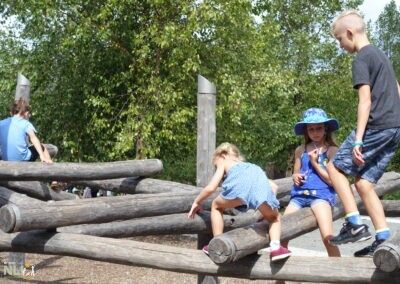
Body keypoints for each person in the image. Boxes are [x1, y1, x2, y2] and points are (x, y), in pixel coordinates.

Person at [328, 10, 400, 257]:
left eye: (339, 40)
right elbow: (397, 89)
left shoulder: (361, 59)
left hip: (377, 125)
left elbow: (365, 102)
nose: (340, 45)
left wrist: (359, 139)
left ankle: (354, 223)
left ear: (349, 33)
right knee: (364, 184)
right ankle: (382, 238)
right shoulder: (381, 55)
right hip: (394, 128)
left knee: (335, 167)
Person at [187, 142, 291, 262]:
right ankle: (275, 248)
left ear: (223, 154)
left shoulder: (224, 161)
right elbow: (273, 187)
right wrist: (265, 211)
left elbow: (211, 188)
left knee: (216, 206)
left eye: (216, 165)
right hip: (261, 186)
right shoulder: (251, 167)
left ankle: (216, 243)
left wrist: (197, 201)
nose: (223, 174)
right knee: (275, 218)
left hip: (238, 188)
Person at [283, 108, 340, 257]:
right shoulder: (300, 150)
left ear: (326, 129)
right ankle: (279, 279)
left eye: (319, 128)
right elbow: (296, 172)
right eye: (311, 129)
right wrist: (295, 176)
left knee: (328, 238)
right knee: (282, 234)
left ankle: (340, 272)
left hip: (320, 196)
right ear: (306, 131)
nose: (315, 132)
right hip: (299, 196)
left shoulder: (331, 150)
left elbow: (332, 181)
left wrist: (315, 163)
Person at [0, 98, 52, 163]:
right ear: (26, 113)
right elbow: (34, 139)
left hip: (5, 159)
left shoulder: (1, 123)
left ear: (11, 113)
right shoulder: (26, 123)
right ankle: (48, 165)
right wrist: (42, 155)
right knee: (42, 147)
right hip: (22, 160)